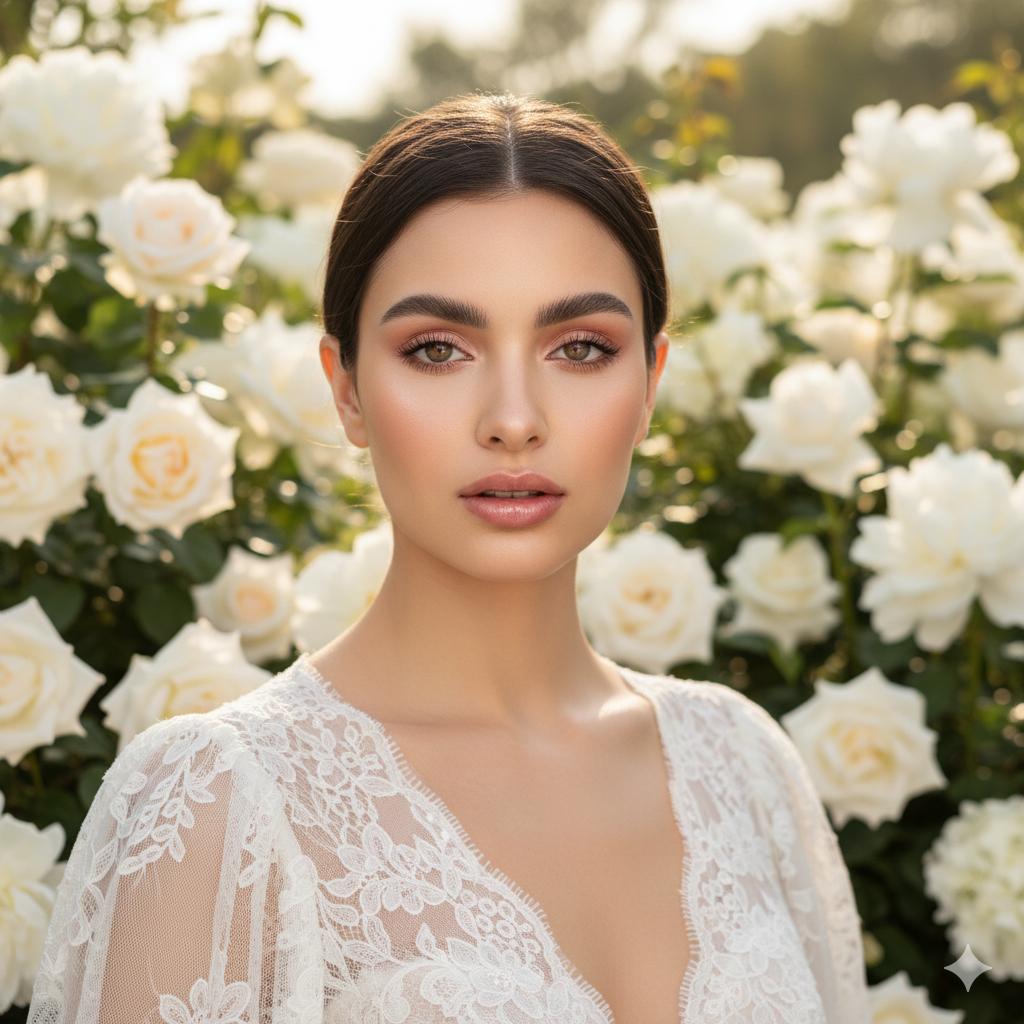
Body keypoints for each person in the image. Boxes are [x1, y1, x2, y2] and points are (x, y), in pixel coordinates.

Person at [29, 95, 869, 1024]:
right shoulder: (215, 803)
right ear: (346, 389)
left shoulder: (744, 764)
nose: (513, 417)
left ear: (649, 386)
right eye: (438, 349)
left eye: (581, 348)